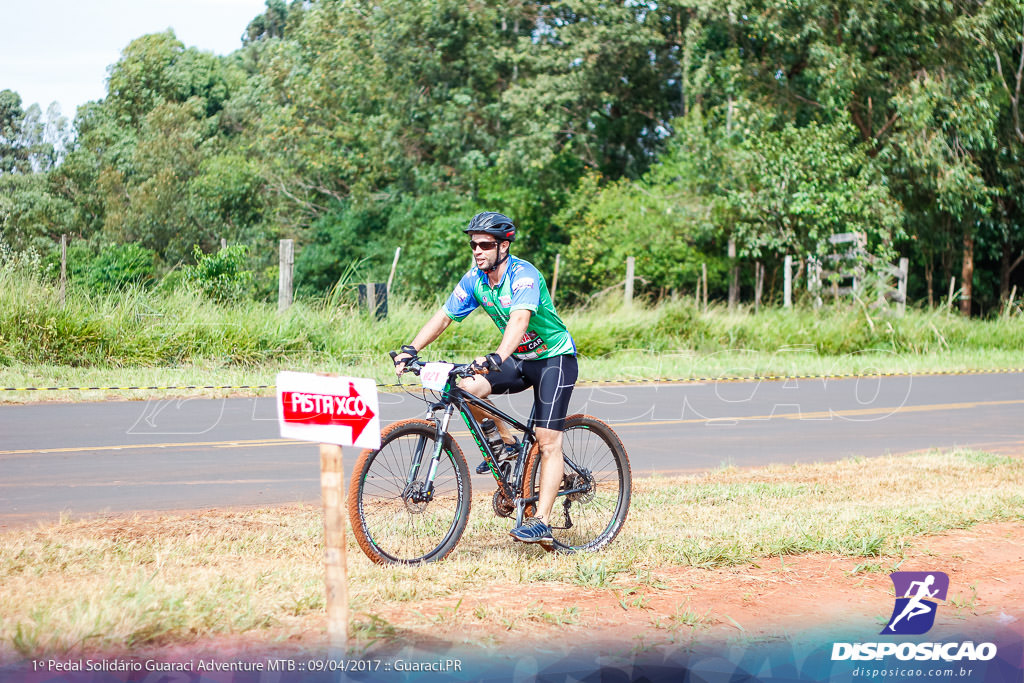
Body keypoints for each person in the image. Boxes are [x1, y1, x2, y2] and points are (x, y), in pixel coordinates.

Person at [393, 211, 578, 544]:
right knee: (466, 387)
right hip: (520, 358)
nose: (477, 250)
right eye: (473, 244)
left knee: (548, 440)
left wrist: (496, 357)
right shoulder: (475, 279)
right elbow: (445, 316)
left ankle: (543, 521)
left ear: (504, 246)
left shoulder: (523, 275)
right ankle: (506, 444)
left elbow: (519, 321)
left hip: (554, 359)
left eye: (485, 245)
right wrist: (411, 349)